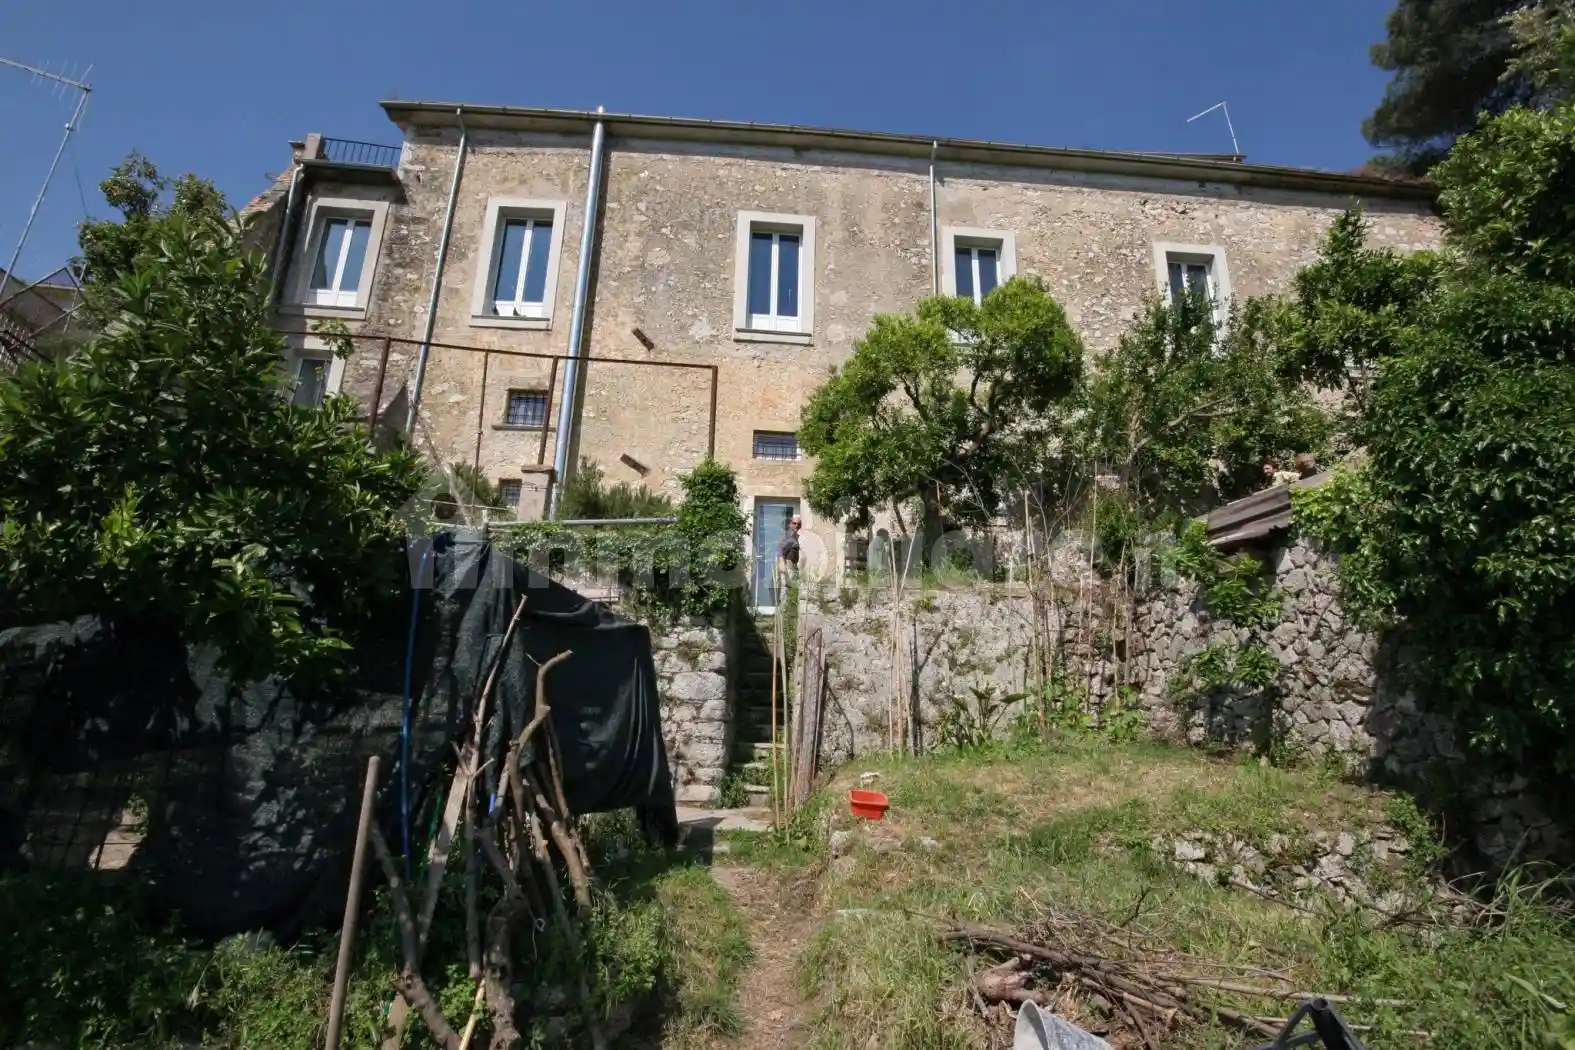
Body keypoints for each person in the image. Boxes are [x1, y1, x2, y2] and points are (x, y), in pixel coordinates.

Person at [777, 515, 802, 580]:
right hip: (788, 570)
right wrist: (784, 575)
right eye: (794, 523)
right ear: (790, 524)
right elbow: (781, 556)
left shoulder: (798, 538)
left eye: (799, 524)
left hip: (795, 568)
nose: (797, 525)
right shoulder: (786, 538)